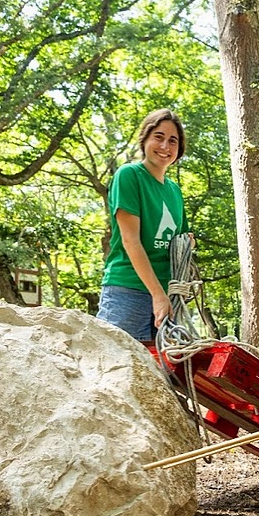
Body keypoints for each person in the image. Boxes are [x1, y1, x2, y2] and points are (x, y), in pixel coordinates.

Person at [97, 108, 191, 341]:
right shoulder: (129, 175)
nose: (165, 147)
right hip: (127, 291)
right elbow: (130, 240)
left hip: (166, 298)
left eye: (173, 141)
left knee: (162, 375)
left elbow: (179, 242)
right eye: (158, 137)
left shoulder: (174, 191)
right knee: (118, 369)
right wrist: (157, 295)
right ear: (145, 139)